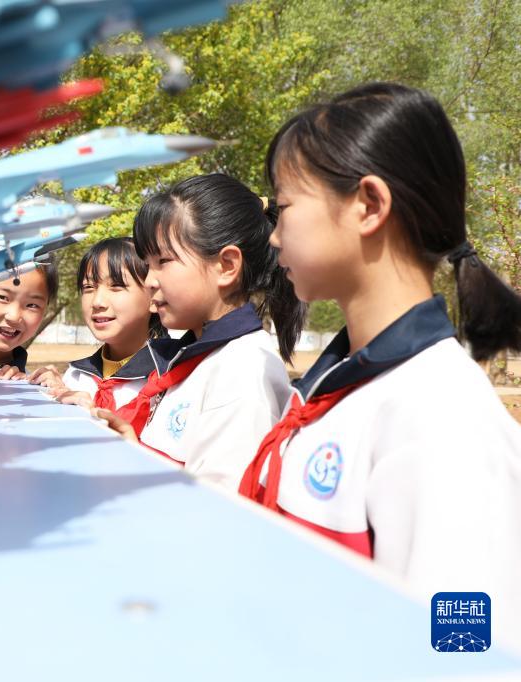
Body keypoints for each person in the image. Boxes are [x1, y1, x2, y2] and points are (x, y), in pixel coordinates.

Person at [237, 83, 521, 643]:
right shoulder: (340, 386)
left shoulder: (439, 413)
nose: (273, 237)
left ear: (368, 205)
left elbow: (463, 648)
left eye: (284, 208)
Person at [100, 173, 305, 490]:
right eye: (147, 264)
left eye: (163, 261)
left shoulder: (242, 369)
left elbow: (217, 506)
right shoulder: (200, 358)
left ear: (227, 266)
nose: (149, 280)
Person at [29, 237, 163, 411]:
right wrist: (53, 393)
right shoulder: (75, 376)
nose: (97, 302)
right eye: (88, 287)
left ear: (154, 295)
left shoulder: (169, 378)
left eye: (116, 286)